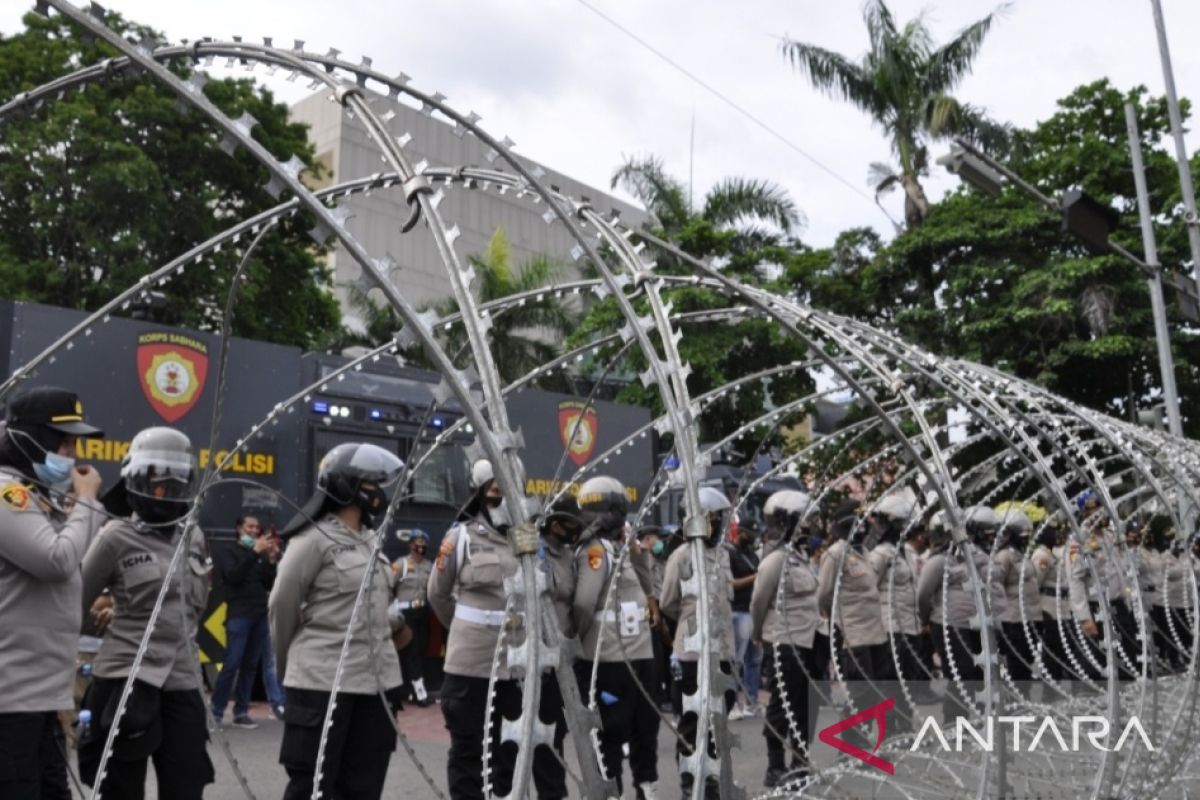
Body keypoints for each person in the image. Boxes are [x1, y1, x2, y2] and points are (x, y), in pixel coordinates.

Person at [77, 426, 214, 799]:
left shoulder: (194, 536)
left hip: (183, 680)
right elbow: (72, 603)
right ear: (137, 477)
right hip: (126, 677)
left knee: (187, 785)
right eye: (158, 478)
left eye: (177, 478)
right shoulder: (114, 536)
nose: (167, 488)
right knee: (120, 790)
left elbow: (193, 608)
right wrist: (102, 623)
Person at [269, 442, 406, 800]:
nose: (377, 493)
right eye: (370, 483)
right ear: (346, 486)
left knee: (363, 788)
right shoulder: (312, 540)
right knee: (311, 787)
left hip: (375, 684)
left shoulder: (371, 540)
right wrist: (292, 668)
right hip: (321, 681)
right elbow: (282, 606)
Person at [0, 386, 104, 800]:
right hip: (11, 701)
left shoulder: (36, 495)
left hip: (40, 696)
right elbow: (57, 559)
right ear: (29, 438)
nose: (72, 452)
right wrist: (89, 502)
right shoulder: (9, 494)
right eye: (63, 440)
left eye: (75, 441)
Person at [427, 458, 524, 800]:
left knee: (508, 753)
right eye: (496, 491)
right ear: (481, 493)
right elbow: (437, 593)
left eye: (509, 491)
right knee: (469, 754)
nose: (503, 498)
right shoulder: (461, 537)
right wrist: (464, 630)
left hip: (513, 667)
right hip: (470, 667)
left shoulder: (524, 540)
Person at [572, 475, 660, 800]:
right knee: (610, 731)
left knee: (643, 728)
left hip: (634, 657)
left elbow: (646, 582)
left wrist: (636, 549)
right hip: (607, 657)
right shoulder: (595, 551)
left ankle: (645, 786)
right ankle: (614, 791)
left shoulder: (620, 549)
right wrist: (576, 641)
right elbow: (584, 602)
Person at [660, 486, 736, 800]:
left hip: (723, 651)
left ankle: (713, 778)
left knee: (718, 718)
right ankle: (692, 782)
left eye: (718, 518)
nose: (716, 524)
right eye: (710, 518)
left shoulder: (721, 556)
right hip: (692, 653)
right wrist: (693, 624)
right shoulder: (681, 556)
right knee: (692, 721)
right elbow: (668, 603)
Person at [751, 489, 819, 788]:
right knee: (782, 706)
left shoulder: (801, 559)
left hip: (807, 642)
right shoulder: (776, 560)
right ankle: (775, 767)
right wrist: (758, 635)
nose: (812, 526)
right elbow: (758, 602)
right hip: (784, 642)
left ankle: (800, 763)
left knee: (805, 706)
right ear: (790, 522)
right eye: (806, 521)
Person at [916, 506, 1007, 721]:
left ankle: (976, 717)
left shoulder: (976, 556)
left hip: (977, 624)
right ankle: (954, 721)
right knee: (961, 674)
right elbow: (923, 594)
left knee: (978, 673)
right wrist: (925, 619)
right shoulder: (939, 561)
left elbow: (995, 576)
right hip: (949, 624)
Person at [817, 499, 887, 722]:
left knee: (875, 693)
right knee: (861, 696)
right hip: (852, 635)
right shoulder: (835, 554)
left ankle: (862, 746)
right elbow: (824, 594)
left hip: (875, 634)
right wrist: (835, 617)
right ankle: (849, 750)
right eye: (857, 520)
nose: (863, 525)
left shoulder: (864, 552)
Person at [535, 495, 586, 800]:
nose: (575, 531)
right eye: (570, 524)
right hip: (535, 658)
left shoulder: (567, 555)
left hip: (560, 659)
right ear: (554, 525)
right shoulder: (534, 552)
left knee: (555, 731)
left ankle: (553, 793)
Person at [211, 513, 282, 728]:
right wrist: (254, 552)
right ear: (238, 528)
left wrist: (270, 561)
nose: (254, 530)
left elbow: (268, 583)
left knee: (251, 666)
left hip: (259, 615)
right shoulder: (228, 551)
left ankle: (241, 711)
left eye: (256, 527)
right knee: (232, 663)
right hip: (239, 615)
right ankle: (216, 711)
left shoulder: (259, 553)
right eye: (249, 526)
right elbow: (233, 576)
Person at [864, 490, 925, 718]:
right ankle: (892, 726)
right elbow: (869, 589)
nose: (905, 529)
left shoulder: (904, 553)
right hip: (890, 625)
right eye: (901, 524)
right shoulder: (880, 554)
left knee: (908, 678)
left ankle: (905, 722)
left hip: (909, 625)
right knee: (892, 680)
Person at [391, 529, 433, 706]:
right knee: (411, 652)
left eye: (423, 543)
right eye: (417, 542)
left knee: (419, 651)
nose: (420, 546)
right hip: (405, 615)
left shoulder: (429, 566)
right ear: (410, 545)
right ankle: (420, 694)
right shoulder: (401, 564)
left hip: (422, 613)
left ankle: (405, 691)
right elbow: (387, 586)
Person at [726, 516, 762, 719]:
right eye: (749, 534)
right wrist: (754, 578)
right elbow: (730, 584)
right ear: (739, 533)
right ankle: (731, 704)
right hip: (738, 611)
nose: (752, 539)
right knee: (736, 660)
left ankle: (751, 700)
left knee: (755, 659)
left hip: (753, 611)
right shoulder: (730, 555)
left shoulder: (753, 556)